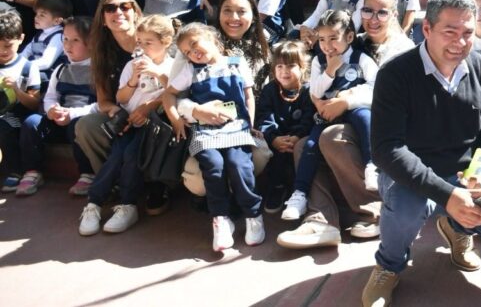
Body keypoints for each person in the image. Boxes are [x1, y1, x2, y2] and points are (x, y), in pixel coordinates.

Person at [362, 0, 481, 306]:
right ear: (426, 29)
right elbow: (386, 149)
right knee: (406, 207)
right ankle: (388, 264)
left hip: (466, 173)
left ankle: (456, 227)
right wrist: (446, 194)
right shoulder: (395, 74)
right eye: (450, 32)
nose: (460, 41)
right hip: (413, 175)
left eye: (468, 33)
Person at [164, 23, 264, 251]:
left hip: (236, 125)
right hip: (205, 129)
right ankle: (220, 218)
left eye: (194, 44)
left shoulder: (237, 64)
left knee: (239, 164)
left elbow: (249, 96)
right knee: (214, 165)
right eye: (187, 52)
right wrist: (175, 118)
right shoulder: (190, 70)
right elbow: (169, 95)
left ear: (212, 38)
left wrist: (251, 123)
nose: (193, 53)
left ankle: (253, 214)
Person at [78, 14, 175, 236]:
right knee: (117, 155)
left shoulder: (173, 65)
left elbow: (177, 91)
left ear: (166, 41)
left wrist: (156, 76)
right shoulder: (132, 65)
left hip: (154, 126)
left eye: (148, 43)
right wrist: (133, 79)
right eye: (140, 42)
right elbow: (121, 98)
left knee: (132, 154)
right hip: (130, 122)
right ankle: (94, 203)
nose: (142, 47)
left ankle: (128, 204)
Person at [283, 9, 379, 222]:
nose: (327, 46)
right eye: (322, 39)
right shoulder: (319, 61)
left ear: (349, 37)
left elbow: (376, 87)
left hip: (354, 108)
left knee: (366, 119)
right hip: (326, 114)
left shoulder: (360, 58)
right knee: (309, 146)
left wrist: (349, 98)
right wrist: (330, 72)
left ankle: (372, 165)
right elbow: (315, 92)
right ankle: (299, 194)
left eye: (334, 39)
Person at [16, 16, 94, 197]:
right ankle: (32, 171)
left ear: (91, 43)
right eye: (65, 39)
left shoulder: (98, 70)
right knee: (31, 123)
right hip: (59, 121)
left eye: (76, 40)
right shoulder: (60, 70)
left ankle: (87, 173)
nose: (68, 45)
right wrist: (51, 110)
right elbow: (50, 97)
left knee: (78, 125)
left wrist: (72, 113)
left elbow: (101, 105)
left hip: (81, 122)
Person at [255, 40, 314, 214]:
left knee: (302, 151)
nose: (284, 71)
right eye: (279, 66)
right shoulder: (270, 90)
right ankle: (278, 187)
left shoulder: (308, 91)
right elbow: (264, 116)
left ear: (303, 67)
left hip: (299, 137)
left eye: (290, 66)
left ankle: (300, 190)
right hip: (277, 138)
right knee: (277, 154)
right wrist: (273, 137)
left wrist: (297, 136)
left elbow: (309, 117)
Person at [0, 10, 38, 192]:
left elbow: (34, 103)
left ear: (21, 39)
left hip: (18, 114)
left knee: (4, 126)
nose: (2, 51)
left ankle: (14, 171)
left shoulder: (28, 67)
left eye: (8, 46)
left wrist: (16, 89)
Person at [214, 0, 270, 93]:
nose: (234, 17)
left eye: (242, 11)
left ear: (253, 17)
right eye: (227, 10)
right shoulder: (204, 44)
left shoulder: (262, 48)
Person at [19, 0, 71, 89]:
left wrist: (23, 66)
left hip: (48, 76)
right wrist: (17, 62)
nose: (36, 17)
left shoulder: (58, 37)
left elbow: (46, 63)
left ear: (57, 21)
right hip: (34, 70)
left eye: (42, 15)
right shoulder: (40, 34)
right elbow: (26, 51)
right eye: (36, 14)